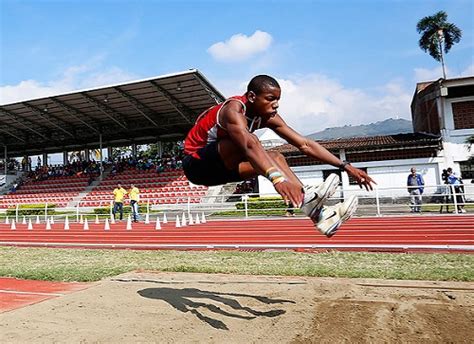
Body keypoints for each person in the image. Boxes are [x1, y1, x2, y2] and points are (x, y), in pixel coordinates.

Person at [182, 75, 376, 237]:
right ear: (251, 96)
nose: (275, 105)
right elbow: (249, 145)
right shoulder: (233, 110)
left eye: (277, 100)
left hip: (223, 170)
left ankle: (319, 214)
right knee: (243, 139)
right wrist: (277, 179)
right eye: (269, 99)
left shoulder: (267, 117)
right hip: (196, 165)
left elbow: (304, 144)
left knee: (276, 156)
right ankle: (308, 198)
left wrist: (345, 166)